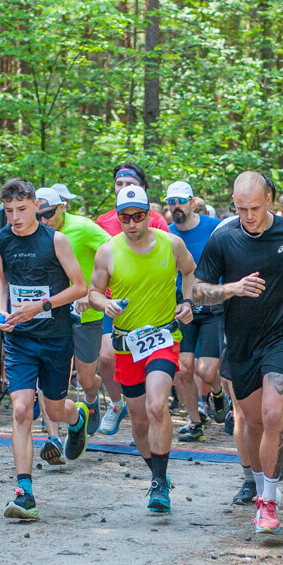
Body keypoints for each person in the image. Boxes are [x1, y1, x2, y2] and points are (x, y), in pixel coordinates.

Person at [193, 172, 283, 534]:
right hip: (241, 343)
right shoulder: (223, 239)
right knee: (253, 424)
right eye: (241, 209)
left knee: (274, 415)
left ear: (269, 199)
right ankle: (261, 484)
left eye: (254, 208)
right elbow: (196, 291)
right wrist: (233, 289)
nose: (248, 216)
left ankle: (268, 502)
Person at [88, 185, 196, 511]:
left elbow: (190, 271)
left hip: (163, 338)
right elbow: (93, 292)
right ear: (118, 217)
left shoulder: (171, 244)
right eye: (125, 217)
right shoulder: (108, 251)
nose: (132, 223)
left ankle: (159, 482)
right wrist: (104, 303)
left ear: (149, 215)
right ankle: (157, 475)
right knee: (138, 422)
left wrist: (187, 300)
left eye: (138, 216)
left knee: (155, 404)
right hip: (127, 345)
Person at [0, 178, 90, 521]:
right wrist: (3, 310)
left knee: (53, 407)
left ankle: (76, 418)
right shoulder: (1, 238)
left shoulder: (56, 240)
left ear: (36, 205)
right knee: (21, 410)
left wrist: (41, 305)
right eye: (8, 211)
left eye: (21, 210)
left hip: (55, 336)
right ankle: (24, 493)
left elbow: (80, 287)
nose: (15, 218)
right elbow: (1, 278)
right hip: (20, 337)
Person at [94, 162, 170, 436]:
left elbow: (168, 258)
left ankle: (149, 420)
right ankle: (116, 405)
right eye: (119, 184)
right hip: (114, 302)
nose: (123, 188)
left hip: (150, 305)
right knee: (104, 358)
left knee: (150, 377)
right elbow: (93, 261)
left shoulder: (157, 220)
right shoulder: (103, 221)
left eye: (130, 184)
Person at [36, 186, 111, 433]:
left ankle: (92, 398)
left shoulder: (83, 226)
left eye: (47, 214)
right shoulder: (34, 233)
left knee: (86, 378)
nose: (43, 221)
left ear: (62, 207)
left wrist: (93, 291)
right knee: (47, 376)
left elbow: (115, 253)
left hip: (86, 314)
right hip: (51, 314)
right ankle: (54, 438)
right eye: (38, 216)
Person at [165, 180, 225, 442]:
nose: (176, 206)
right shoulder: (166, 235)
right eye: (171, 202)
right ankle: (195, 422)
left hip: (212, 306)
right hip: (180, 308)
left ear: (191, 202)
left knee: (208, 370)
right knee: (183, 367)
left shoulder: (215, 228)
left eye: (180, 201)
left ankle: (218, 393)